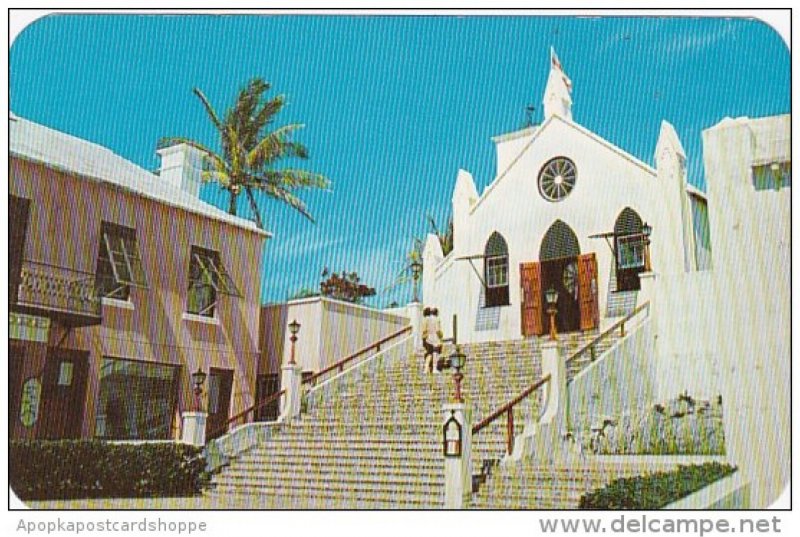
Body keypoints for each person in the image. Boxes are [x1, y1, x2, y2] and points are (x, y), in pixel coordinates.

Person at [427, 307, 444, 374]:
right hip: (435, 338)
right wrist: (441, 336)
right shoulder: (437, 319)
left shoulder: (428, 319)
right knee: (436, 353)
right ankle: (434, 368)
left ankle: (428, 369)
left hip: (429, 337)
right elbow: (438, 330)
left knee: (430, 354)